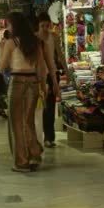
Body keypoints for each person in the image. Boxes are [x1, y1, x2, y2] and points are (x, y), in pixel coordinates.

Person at [0, 12, 54, 172]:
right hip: (33, 82)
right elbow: (42, 68)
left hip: (17, 82)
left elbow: (2, 66)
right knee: (28, 121)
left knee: (17, 123)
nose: (7, 27)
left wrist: (4, 50)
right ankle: (35, 154)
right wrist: (43, 86)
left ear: (14, 25)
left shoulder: (11, 42)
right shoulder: (36, 42)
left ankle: (22, 161)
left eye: (8, 24)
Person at [36, 13, 63, 148]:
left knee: (50, 107)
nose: (46, 28)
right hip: (38, 76)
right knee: (39, 107)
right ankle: (38, 137)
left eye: (48, 25)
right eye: (43, 26)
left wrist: (67, 71)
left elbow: (60, 54)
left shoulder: (54, 37)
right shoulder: (35, 39)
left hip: (52, 75)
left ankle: (49, 137)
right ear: (38, 26)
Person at [0, 30, 11, 118]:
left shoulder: (2, 43)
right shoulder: (10, 43)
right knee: (8, 88)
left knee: (3, 89)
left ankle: (1, 109)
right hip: (10, 67)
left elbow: (1, 55)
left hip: (4, 67)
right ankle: (7, 108)